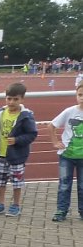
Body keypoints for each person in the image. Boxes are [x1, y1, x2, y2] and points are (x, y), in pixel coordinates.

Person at [0, 82, 38, 217]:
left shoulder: (26, 116)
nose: (11, 102)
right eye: (9, 98)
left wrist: (17, 140)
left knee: (17, 182)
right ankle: (0, 203)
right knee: (0, 181)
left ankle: (16, 205)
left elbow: (32, 134)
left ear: (22, 99)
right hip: (1, 155)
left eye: (15, 99)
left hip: (17, 156)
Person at [48, 81, 83, 222]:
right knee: (64, 184)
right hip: (66, 156)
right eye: (80, 95)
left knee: (82, 186)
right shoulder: (70, 112)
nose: (82, 98)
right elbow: (51, 125)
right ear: (76, 95)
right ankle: (61, 210)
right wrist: (55, 142)